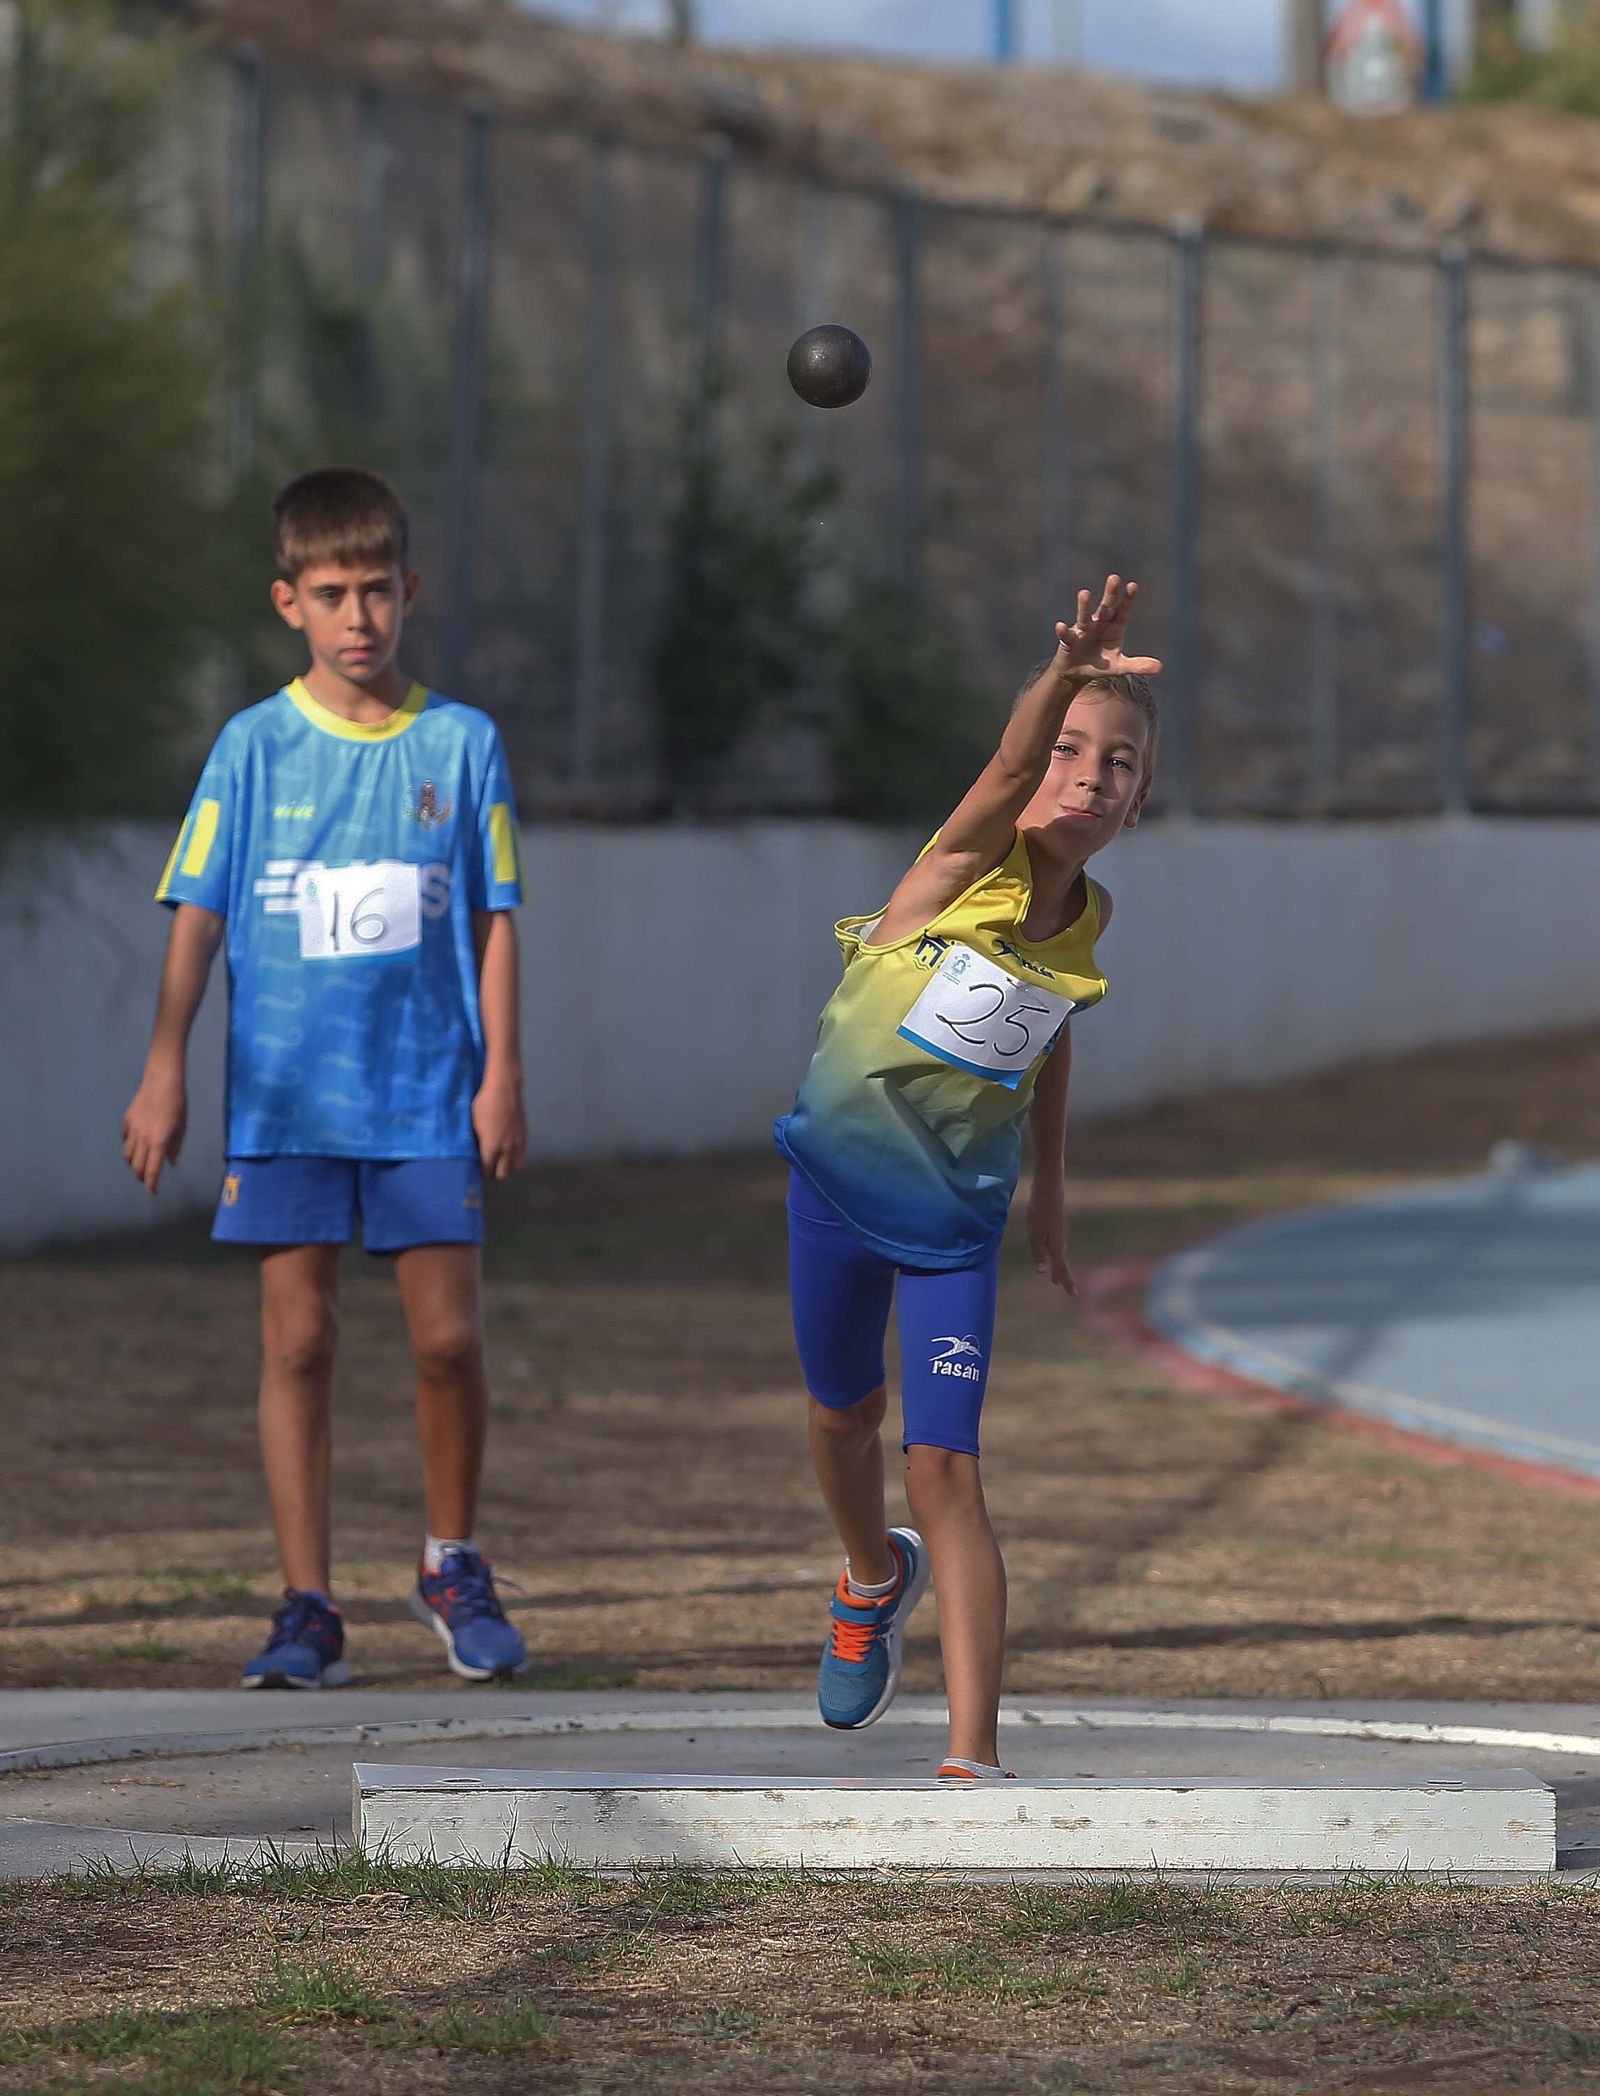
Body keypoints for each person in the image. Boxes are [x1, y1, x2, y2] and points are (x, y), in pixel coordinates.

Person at [120, 467, 529, 1689]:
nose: (358, 617)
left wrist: (503, 1069)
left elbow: (499, 914)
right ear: (289, 599)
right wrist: (163, 1065)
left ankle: (451, 1563)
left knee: (448, 1340)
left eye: (377, 591)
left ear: (410, 592)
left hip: (425, 1096)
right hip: (286, 1101)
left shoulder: (462, 743)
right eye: (331, 593)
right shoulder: (250, 747)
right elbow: (195, 913)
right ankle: (307, 1607)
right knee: (297, 1341)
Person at [775, 575, 1159, 1779]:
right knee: (841, 1417)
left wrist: (1047, 1187)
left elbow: (1045, 1035)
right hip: (835, 1191)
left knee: (947, 1462)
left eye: (1119, 766)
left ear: (1137, 802)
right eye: (1069, 751)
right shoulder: (955, 867)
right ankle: (870, 1576)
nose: (1086, 778)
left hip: (952, 1229)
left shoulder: (1083, 918)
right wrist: (1064, 672)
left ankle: (972, 1756)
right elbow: (1001, 771)